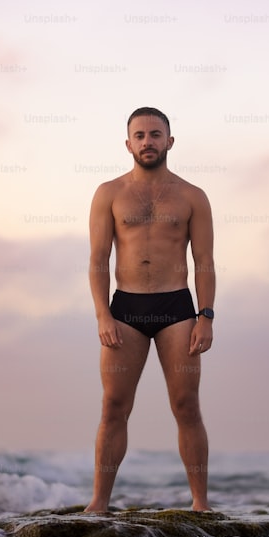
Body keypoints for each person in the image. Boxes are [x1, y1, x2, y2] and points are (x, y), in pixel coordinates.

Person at [84, 107, 215, 513]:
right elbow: (97, 259)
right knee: (114, 407)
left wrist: (205, 316)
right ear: (128, 144)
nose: (147, 142)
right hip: (125, 309)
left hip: (177, 307)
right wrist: (103, 315)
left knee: (186, 405)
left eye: (155, 134)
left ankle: (200, 504)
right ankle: (99, 502)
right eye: (139, 135)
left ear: (169, 142)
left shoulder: (193, 196)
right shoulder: (109, 193)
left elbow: (204, 262)